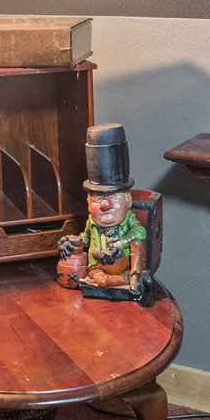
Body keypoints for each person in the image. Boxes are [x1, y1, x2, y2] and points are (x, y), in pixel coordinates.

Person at [58, 123, 151, 300]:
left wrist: (120, 243)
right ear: (88, 202)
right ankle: (120, 280)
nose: (105, 205)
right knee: (100, 281)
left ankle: (134, 276)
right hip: (98, 268)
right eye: (98, 199)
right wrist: (70, 242)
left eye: (114, 199)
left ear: (128, 201)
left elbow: (140, 231)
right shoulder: (91, 223)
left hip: (123, 263)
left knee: (138, 243)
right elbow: (84, 239)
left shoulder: (127, 219)